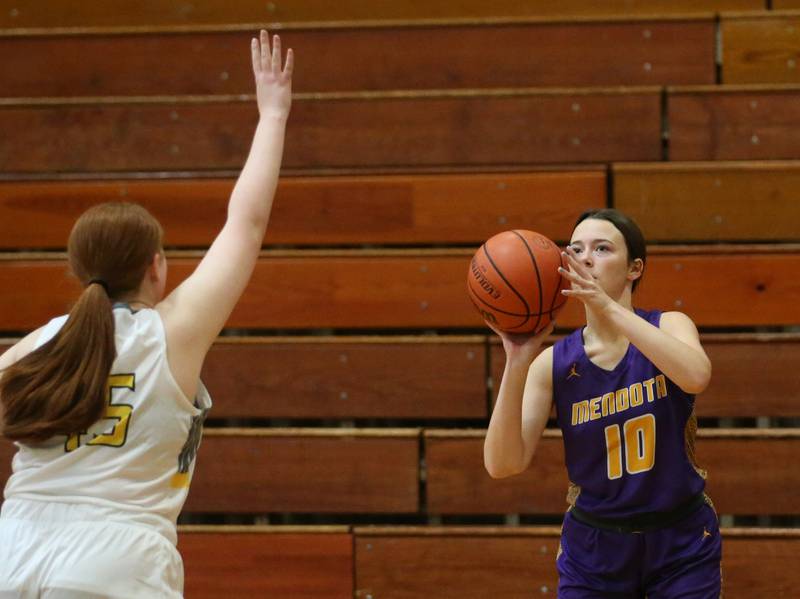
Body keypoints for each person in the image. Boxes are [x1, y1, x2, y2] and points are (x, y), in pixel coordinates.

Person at [0, 30, 293, 598]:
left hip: (11, 550)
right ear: (156, 266)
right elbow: (246, 224)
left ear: (80, 268)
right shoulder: (171, 333)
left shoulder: (34, 347)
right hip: (115, 562)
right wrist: (272, 115)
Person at [484, 209, 721, 598]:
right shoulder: (554, 363)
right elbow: (502, 463)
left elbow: (696, 375)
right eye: (576, 249)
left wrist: (608, 308)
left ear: (634, 268)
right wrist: (516, 360)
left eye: (602, 248)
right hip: (595, 549)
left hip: (681, 541)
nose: (586, 257)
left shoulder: (670, 325)